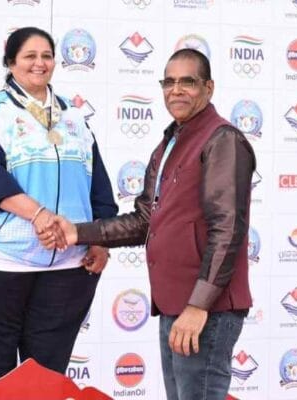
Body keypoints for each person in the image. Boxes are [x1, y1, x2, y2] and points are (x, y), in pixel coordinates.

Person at [43, 48, 256, 400]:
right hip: (175, 304)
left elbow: (227, 229)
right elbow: (145, 221)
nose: (176, 90)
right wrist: (77, 232)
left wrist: (198, 305)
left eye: (188, 82)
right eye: (169, 82)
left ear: (208, 88)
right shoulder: (171, 142)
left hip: (205, 310)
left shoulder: (222, 140)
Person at [0, 27, 118, 387]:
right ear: (11, 62)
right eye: (30, 56)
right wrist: (38, 215)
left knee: (48, 378)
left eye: (47, 56)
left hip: (66, 263)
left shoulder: (74, 117)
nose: (40, 63)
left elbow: (97, 184)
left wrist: (101, 240)